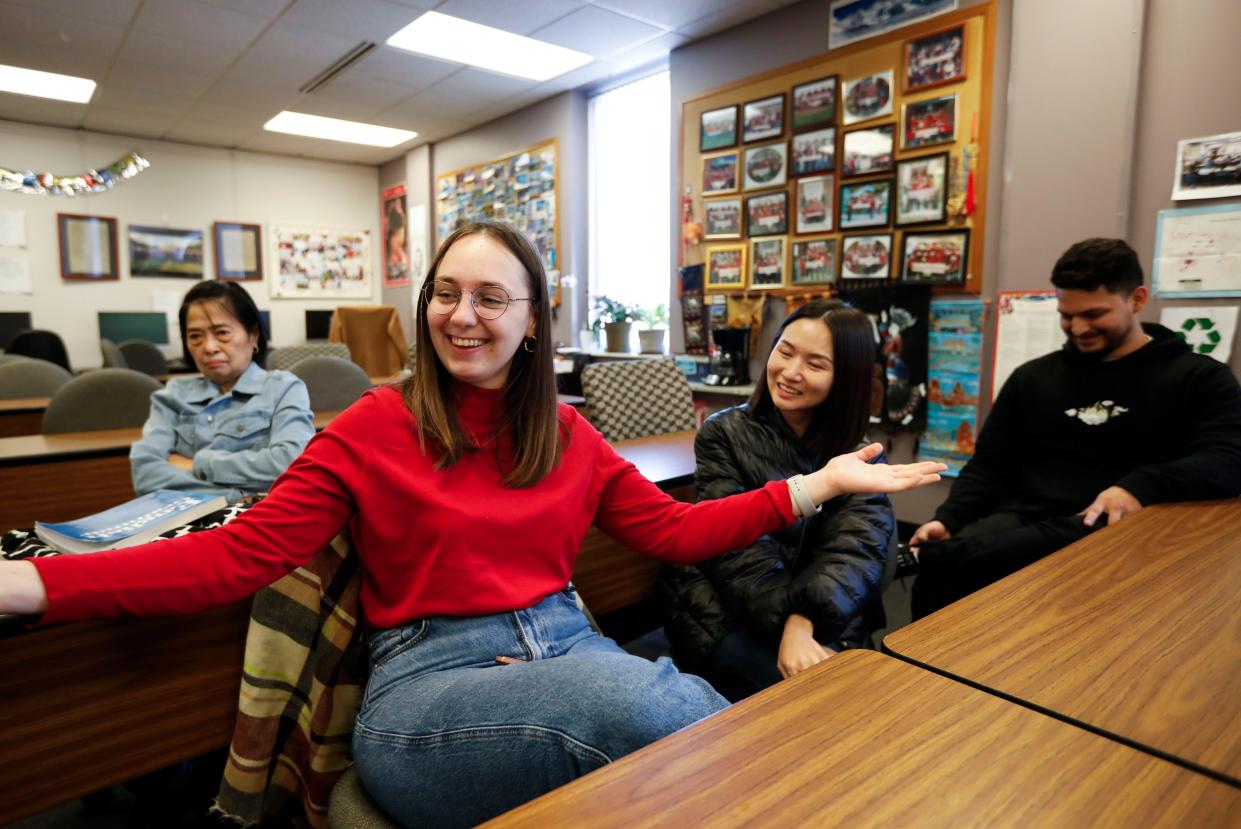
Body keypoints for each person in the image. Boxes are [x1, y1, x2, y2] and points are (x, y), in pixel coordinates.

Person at [0, 222, 944, 828]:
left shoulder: (564, 431)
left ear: (533, 320)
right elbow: (234, 556)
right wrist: (33, 583)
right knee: (664, 712)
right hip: (427, 685)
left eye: (491, 297)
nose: (462, 315)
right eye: (446, 294)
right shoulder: (371, 427)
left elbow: (674, 529)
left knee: (672, 750)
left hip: (565, 645)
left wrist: (816, 484)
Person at [910, 238, 1241, 618]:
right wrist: (948, 519)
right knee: (942, 571)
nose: (1079, 327)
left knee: (961, 561)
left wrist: (1141, 485)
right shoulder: (1033, 378)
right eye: (1067, 316)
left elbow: (1228, 459)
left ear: (1137, 299)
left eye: (1095, 314)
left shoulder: (1199, 378)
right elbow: (990, 466)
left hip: (1127, 534)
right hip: (1031, 522)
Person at [658, 300, 894, 702]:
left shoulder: (860, 451)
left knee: (864, 699)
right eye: (784, 351)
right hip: (721, 608)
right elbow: (738, 549)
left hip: (819, 614)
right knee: (812, 703)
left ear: (846, 378)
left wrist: (802, 622)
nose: (790, 372)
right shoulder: (724, 433)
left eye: (815, 364)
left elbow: (856, 549)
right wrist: (792, 624)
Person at [129, 280, 315, 503]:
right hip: (188, 524)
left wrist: (198, 464)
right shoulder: (173, 395)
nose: (209, 347)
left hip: (258, 523)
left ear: (253, 335)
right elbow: (145, 475)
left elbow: (291, 463)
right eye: (195, 336)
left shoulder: (283, 388)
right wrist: (242, 495)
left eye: (222, 333)